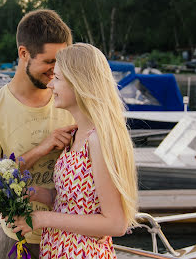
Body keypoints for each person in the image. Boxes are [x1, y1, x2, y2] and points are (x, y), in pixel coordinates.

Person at [11, 43, 138, 259]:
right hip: (58, 250)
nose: (50, 84)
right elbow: (75, 203)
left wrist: (43, 219)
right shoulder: (76, 134)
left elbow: (116, 223)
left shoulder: (98, 139)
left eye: (57, 78)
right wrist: (38, 194)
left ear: (80, 84)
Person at [0, 9, 76, 259]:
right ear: (24, 53)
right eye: (49, 62)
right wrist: (42, 148)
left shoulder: (72, 101)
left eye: (61, 63)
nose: (55, 70)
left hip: (71, 237)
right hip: (22, 242)